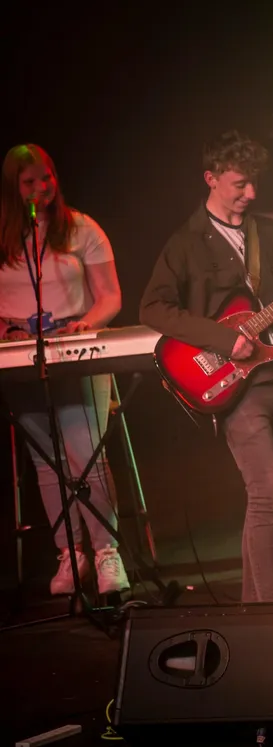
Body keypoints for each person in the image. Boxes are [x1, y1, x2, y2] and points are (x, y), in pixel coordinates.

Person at [139, 131, 273, 603]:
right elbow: (153, 310)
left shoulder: (270, 232)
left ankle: (253, 608)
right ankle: (272, 611)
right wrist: (227, 339)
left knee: (266, 499)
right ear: (211, 178)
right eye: (240, 184)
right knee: (267, 496)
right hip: (233, 385)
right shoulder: (186, 243)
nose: (251, 194)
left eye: (254, 184)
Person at [0, 144, 130, 597]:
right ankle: (69, 554)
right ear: (14, 188)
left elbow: (110, 295)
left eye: (47, 178)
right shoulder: (4, 235)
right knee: (46, 461)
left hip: (73, 345)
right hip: (18, 352)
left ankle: (106, 553)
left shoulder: (82, 229)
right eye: (30, 182)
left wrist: (86, 324)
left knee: (86, 455)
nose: (41, 189)